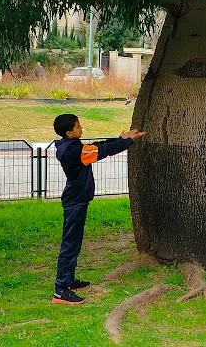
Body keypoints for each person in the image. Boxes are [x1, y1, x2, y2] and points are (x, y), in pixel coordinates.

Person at [51, 113, 145, 305]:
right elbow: (102, 151)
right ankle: (61, 290)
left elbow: (97, 146)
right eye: (78, 126)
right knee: (70, 244)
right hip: (75, 202)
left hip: (76, 200)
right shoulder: (75, 152)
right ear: (69, 133)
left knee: (73, 243)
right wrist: (125, 142)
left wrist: (121, 139)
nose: (81, 128)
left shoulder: (70, 146)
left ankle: (68, 281)